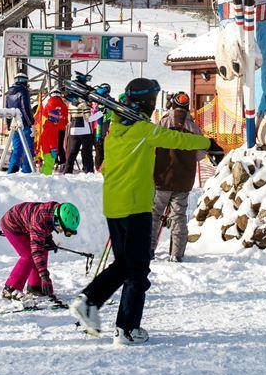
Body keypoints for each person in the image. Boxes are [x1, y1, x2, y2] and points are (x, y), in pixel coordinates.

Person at [70, 78, 212, 345]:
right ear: (147, 103)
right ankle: (105, 312)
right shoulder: (144, 130)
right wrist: (206, 141)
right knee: (137, 266)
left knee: (127, 265)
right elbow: (177, 139)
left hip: (114, 205)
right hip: (136, 207)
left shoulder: (116, 128)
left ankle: (116, 321)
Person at [151, 92, 202, 261]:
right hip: (184, 180)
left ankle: (148, 250)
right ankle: (176, 254)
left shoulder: (163, 123)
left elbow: (153, 147)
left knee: (155, 215)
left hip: (162, 178)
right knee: (179, 216)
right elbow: (200, 154)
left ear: (171, 105)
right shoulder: (194, 128)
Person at [0, 200, 80, 302]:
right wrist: (45, 277)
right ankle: (10, 289)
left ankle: (34, 287)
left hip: (28, 225)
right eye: (61, 229)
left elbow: (45, 227)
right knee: (29, 256)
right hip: (12, 226)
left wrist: (48, 239)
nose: (61, 232)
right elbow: (36, 252)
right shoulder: (40, 220)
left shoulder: (54, 213)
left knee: (44, 248)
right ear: (56, 220)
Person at [4, 74, 34, 173]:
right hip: (24, 124)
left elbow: (7, 110)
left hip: (14, 124)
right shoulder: (23, 91)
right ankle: (27, 170)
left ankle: (12, 170)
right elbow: (25, 109)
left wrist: (8, 125)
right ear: (24, 81)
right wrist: (31, 124)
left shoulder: (8, 92)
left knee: (16, 148)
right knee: (28, 148)